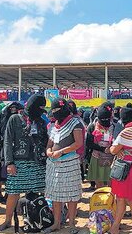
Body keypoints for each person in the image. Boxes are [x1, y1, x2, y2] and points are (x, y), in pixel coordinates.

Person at [0, 94, 49, 232]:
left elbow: (45, 141)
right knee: (13, 192)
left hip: (37, 163)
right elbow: (7, 141)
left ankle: (40, 218)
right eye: (40, 108)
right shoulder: (14, 119)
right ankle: (7, 221)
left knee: (41, 192)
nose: (41, 112)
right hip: (18, 163)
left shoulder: (41, 121)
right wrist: (9, 162)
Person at [44, 98, 84, 233]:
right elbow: (49, 143)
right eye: (53, 111)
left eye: (57, 111)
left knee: (71, 195)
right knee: (55, 195)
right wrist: (49, 151)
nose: (54, 113)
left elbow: (78, 143)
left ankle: (72, 224)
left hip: (69, 163)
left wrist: (60, 152)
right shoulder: (54, 125)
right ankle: (57, 223)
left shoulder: (75, 123)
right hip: (54, 165)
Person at [109, 107, 132, 234]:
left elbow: (113, 150)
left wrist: (118, 150)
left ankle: (115, 227)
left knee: (122, 199)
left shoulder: (126, 131)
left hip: (124, 169)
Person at [86, 104, 115, 187]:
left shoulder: (114, 126)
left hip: (111, 158)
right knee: (99, 183)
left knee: (111, 181)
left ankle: (111, 199)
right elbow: (89, 143)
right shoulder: (92, 127)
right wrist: (102, 149)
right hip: (96, 157)